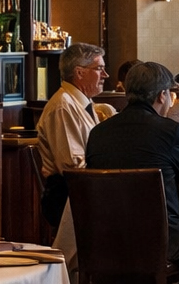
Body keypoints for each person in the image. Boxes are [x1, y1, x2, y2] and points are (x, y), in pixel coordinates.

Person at [85, 61, 179, 274]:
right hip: (162, 241)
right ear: (162, 95)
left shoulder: (98, 133)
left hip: (105, 240)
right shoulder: (171, 131)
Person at [37, 42, 110, 227]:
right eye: (100, 69)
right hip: (68, 196)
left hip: (85, 190)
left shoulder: (83, 103)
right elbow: (72, 166)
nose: (105, 75)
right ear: (79, 72)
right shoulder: (63, 106)